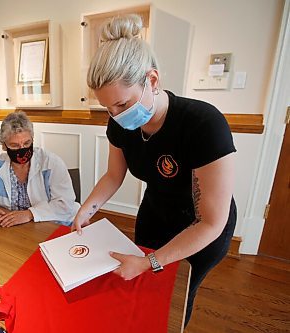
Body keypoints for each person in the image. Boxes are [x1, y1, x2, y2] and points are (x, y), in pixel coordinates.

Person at [72, 15, 236, 325]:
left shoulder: (203, 124)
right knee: (144, 292)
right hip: (155, 213)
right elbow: (113, 175)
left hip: (200, 227)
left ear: (153, 80)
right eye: (108, 108)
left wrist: (150, 262)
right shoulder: (119, 123)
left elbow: (211, 222)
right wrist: (88, 208)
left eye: (122, 104)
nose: (116, 115)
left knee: (174, 302)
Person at [0, 111, 80, 227]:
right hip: (14, 230)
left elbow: (65, 204)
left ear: (32, 139)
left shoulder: (51, 163)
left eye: (27, 143)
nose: (22, 149)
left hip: (50, 226)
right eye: (14, 145)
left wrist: (30, 214)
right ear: (4, 145)